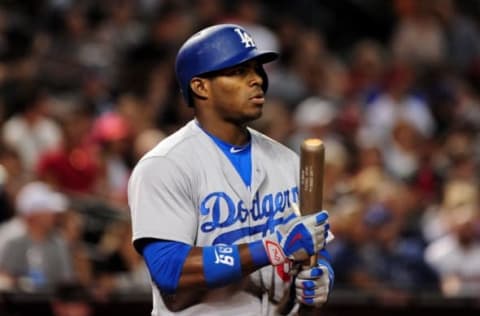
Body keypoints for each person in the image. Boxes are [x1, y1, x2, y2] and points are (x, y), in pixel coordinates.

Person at [128, 24, 333, 316]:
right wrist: (273, 248)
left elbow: (312, 245)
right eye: (239, 71)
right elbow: (170, 270)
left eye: (257, 69)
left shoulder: (285, 160)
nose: (257, 80)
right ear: (200, 86)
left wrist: (322, 275)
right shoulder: (165, 165)